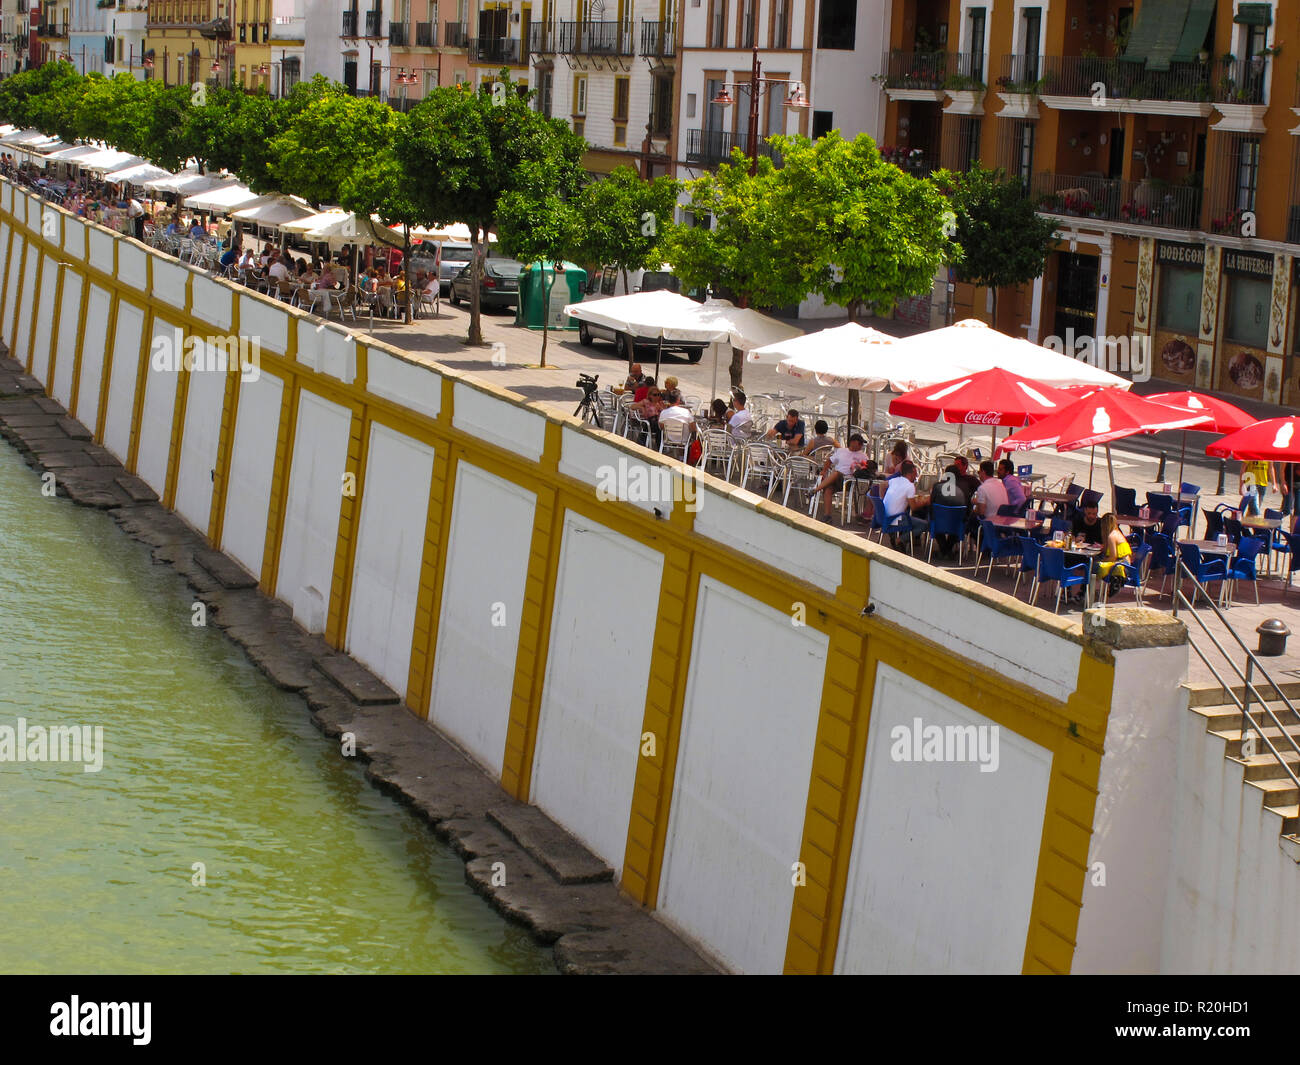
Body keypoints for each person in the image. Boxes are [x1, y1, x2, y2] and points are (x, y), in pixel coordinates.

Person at [814, 433, 871, 523]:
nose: (861, 445)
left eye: (861, 444)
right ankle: (827, 515)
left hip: (851, 481)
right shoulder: (841, 451)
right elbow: (829, 461)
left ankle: (815, 490)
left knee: (836, 473)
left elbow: (868, 469)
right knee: (828, 488)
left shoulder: (863, 456)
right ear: (853, 442)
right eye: (859, 443)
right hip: (837, 480)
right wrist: (824, 471)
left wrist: (860, 467)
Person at [881, 460, 930, 545]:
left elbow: (882, 485)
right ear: (911, 473)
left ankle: (901, 539)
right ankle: (900, 540)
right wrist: (925, 502)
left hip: (883, 516)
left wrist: (882, 499)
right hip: (895, 519)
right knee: (924, 525)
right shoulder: (910, 486)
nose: (916, 476)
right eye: (916, 473)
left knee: (909, 517)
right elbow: (913, 507)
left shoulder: (894, 480)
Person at [928, 463, 970, 558]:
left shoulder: (937, 486)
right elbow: (967, 506)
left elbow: (931, 505)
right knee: (960, 520)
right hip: (957, 525)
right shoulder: (964, 487)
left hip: (939, 524)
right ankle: (948, 550)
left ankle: (944, 549)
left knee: (933, 519)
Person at [1094, 513, 1134, 599]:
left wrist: (1102, 561)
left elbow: (1113, 557)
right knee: (1095, 565)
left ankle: (1087, 593)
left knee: (1093, 566)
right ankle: (1093, 592)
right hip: (1127, 564)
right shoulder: (1117, 532)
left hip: (1121, 566)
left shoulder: (1111, 536)